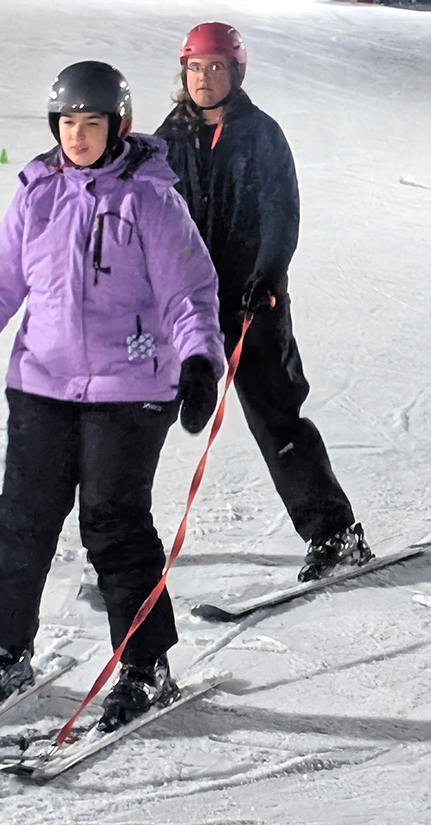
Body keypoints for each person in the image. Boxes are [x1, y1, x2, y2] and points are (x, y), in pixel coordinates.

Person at [0, 61, 226, 732]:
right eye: (66, 123)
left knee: (112, 522)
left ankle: (143, 663)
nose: (76, 136)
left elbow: (189, 294)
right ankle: (7, 648)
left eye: (90, 123)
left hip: (130, 390)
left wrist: (196, 362)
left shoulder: (151, 201)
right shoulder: (36, 196)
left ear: (117, 126)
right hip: (40, 384)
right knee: (21, 519)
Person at [155, 23, 372, 581]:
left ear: (236, 72)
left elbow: (281, 211)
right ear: (184, 73)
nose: (205, 78)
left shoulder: (261, 134)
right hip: (184, 307)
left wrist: (269, 275)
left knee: (277, 418)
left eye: (217, 67)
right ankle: (117, 543)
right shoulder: (167, 137)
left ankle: (333, 531)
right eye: (196, 67)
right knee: (138, 415)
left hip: (253, 301)